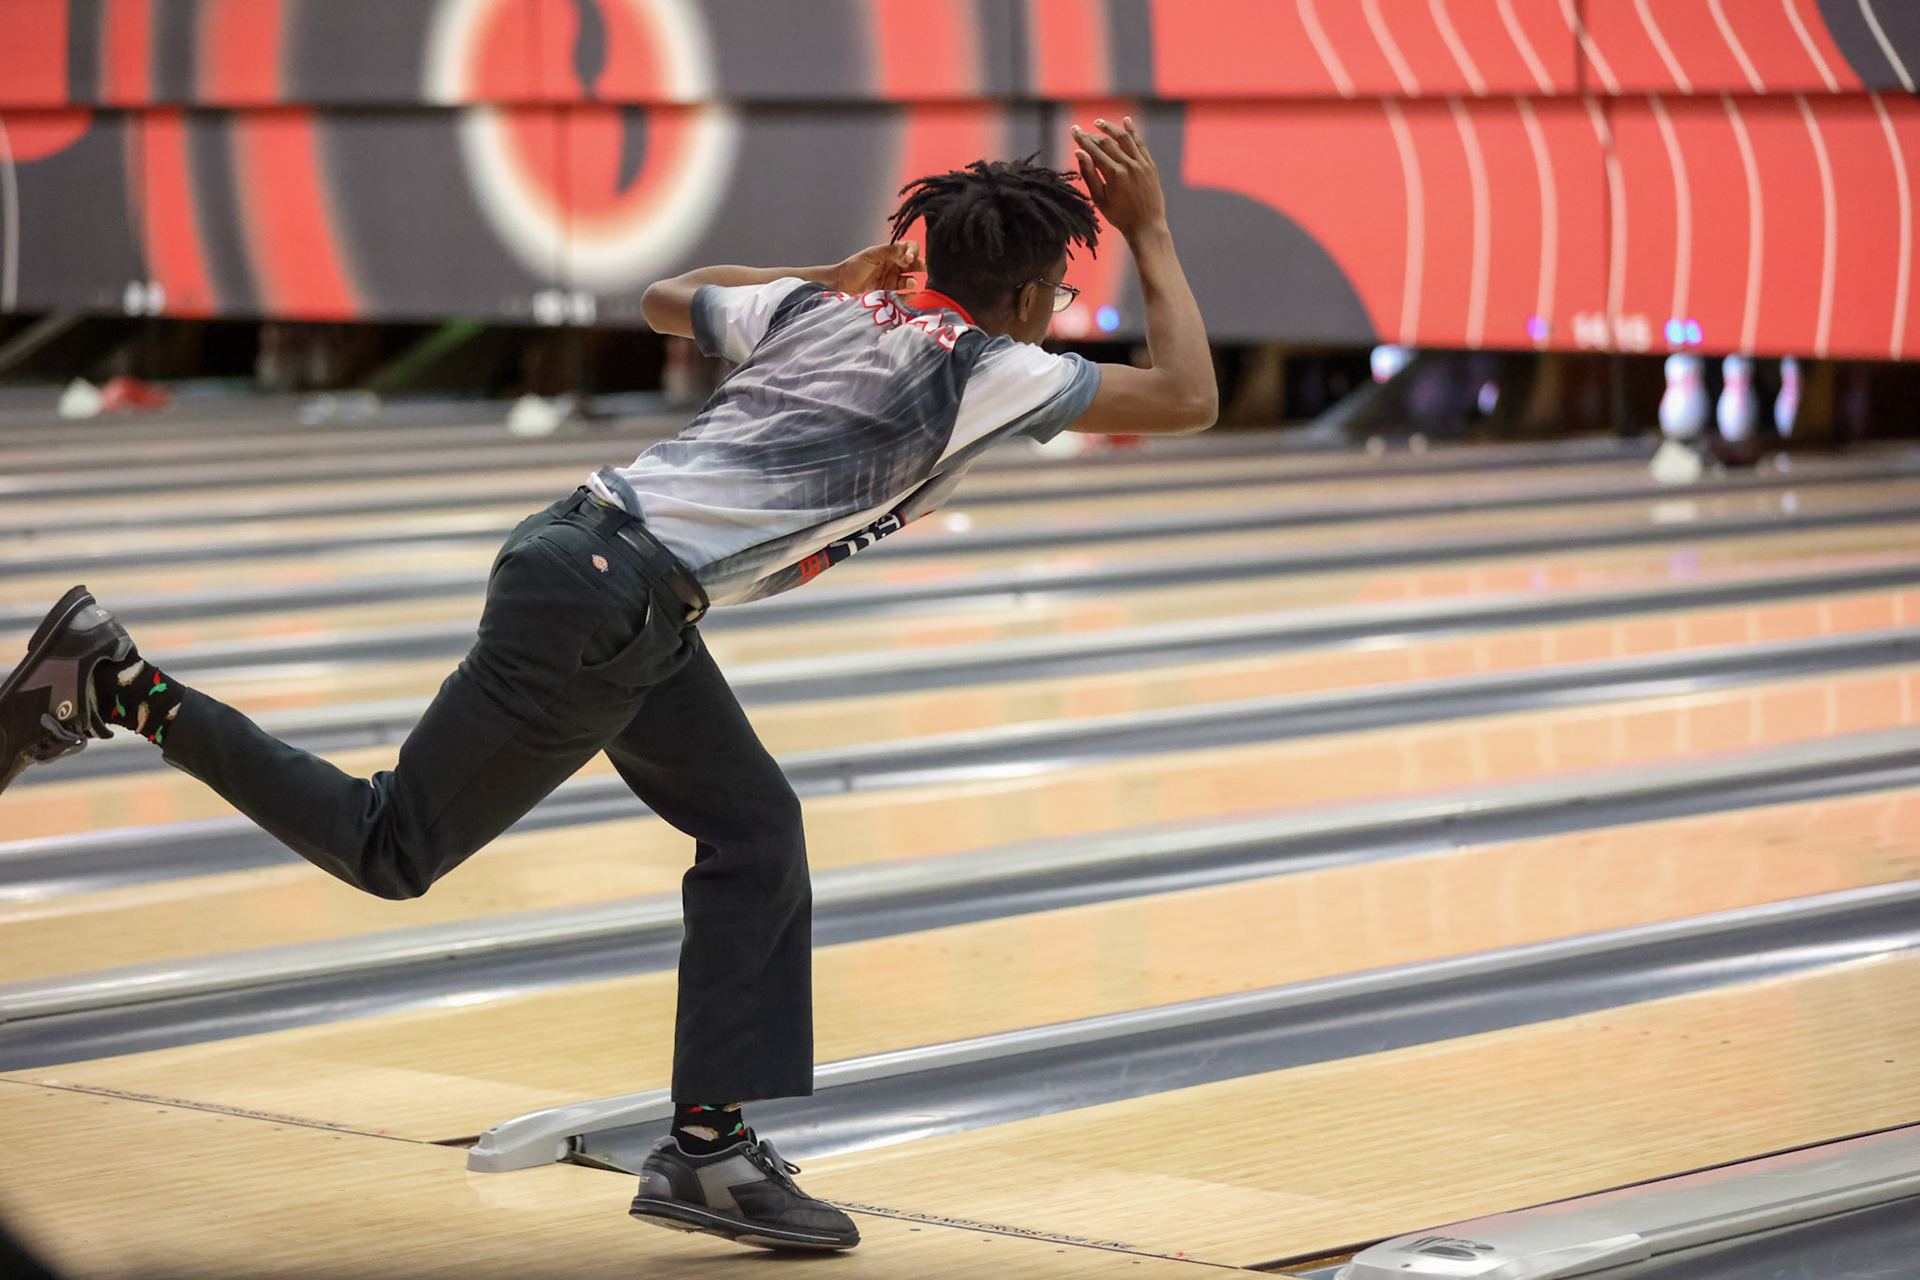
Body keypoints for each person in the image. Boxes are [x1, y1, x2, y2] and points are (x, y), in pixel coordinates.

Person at [0, 118, 1213, 1252]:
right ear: (1024, 292)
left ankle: (710, 1152)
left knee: (753, 826)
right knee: (390, 846)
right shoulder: (996, 371)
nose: (1065, 307)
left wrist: (833, 278)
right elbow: (1190, 399)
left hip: (606, 575)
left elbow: (662, 297)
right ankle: (116, 680)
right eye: (1061, 286)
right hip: (606, 603)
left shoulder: (812, 311)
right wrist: (1152, 229)